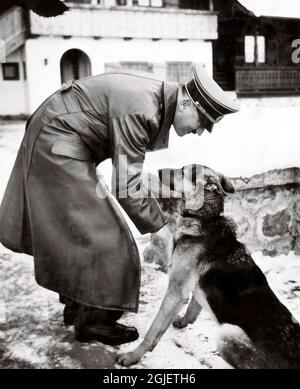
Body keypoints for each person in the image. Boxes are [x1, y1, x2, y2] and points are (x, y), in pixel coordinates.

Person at [0, 65, 239, 346]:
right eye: (201, 122)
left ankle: (80, 307)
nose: (199, 132)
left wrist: (202, 173)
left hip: (58, 137)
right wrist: (159, 227)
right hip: (57, 143)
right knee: (110, 238)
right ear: (186, 102)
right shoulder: (144, 110)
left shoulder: (154, 102)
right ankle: (94, 322)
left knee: (78, 232)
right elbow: (126, 185)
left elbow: (134, 174)